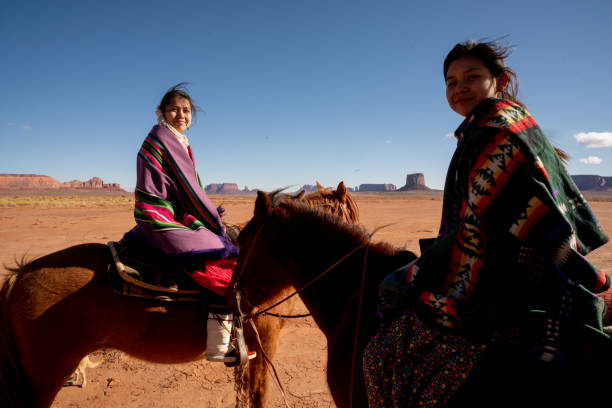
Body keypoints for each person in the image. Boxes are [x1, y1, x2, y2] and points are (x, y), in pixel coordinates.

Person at [363, 41, 612, 406]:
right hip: (527, 260)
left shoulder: (492, 131)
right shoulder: (507, 123)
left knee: (387, 345)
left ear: (501, 79)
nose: (459, 87)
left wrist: (413, 275)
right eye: (450, 82)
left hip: (507, 273)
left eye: (471, 77)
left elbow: (481, 228)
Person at [122, 83, 247, 364]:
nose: (181, 114)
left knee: (215, 236)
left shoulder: (178, 140)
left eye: (186, 110)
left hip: (171, 210)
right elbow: (189, 190)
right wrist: (212, 219)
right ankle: (219, 345)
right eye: (174, 109)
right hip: (160, 215)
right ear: (162, 112)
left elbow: (188, 189)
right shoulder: (164, 138)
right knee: (223, 266)